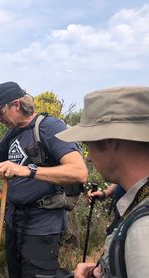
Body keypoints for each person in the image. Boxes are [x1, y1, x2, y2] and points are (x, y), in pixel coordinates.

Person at [0, 81, 87, 278]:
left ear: (16, 104)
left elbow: (79, 171)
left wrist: (26, 171)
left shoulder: (49, 127)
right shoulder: (13, 133)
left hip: (42, 227)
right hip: (15, 224)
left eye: (0, 112)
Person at [55, 86, 149, 278]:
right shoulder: (139, 204)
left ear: (110, 140)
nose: (88, 158)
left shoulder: (143, 230)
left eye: (88, 144)